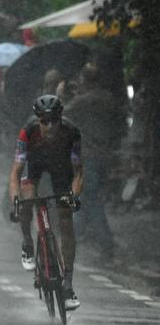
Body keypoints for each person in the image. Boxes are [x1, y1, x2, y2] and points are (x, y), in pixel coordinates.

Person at [8, 94, 83, 309]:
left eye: (54, 121)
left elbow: (78, 173)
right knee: (27, 200)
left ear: (61, 119)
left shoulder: (71, 132)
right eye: (44, 122)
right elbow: (16, 171)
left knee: (66, 219)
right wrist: (15, 200)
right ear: (37, 120)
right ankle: (27, 243)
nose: (49, 126)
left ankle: (68, 284)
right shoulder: (28, 131)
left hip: (61, 167)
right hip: (35, 164)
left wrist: (73, 196)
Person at [64, 63, 125, 259]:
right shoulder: (109, 100)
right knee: (88, 195)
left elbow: (61, 115)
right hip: (106, 154)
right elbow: (120, 126)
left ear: (85, 80)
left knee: (90, 197)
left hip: (88, 154)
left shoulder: (82, 101)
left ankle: (105, 242)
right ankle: (75, 235)